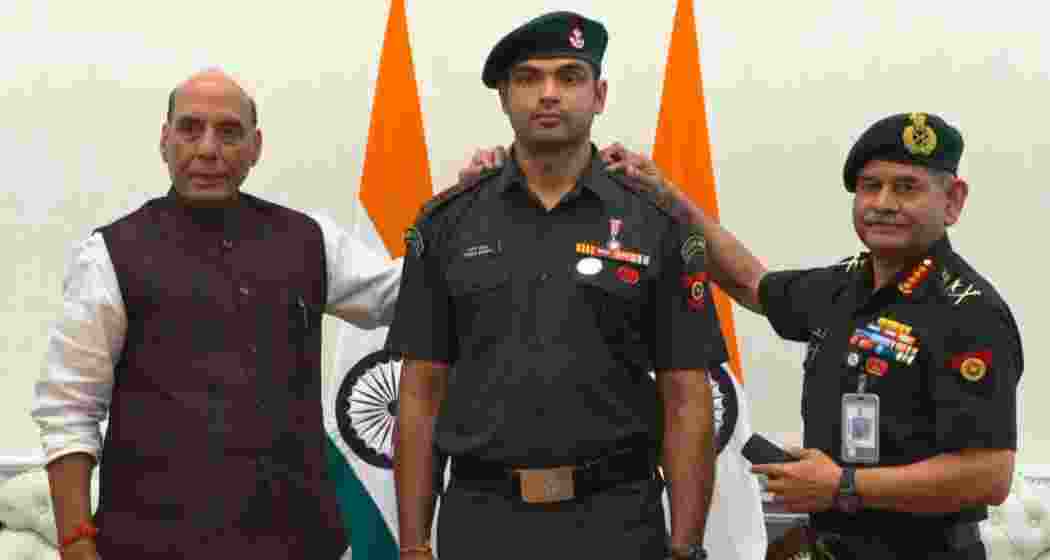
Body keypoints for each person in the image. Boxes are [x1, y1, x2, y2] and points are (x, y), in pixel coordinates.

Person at [598, 113, 1022, 559]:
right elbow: (750, 284)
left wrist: (844, 485)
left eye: (906, 187)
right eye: (869, 186)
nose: (883, 202)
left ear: (953, 201)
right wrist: (668, 198)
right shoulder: (845, 284)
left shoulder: (970, 312)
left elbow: (988, 474)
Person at [388, 11, 724, 560]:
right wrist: (413, 546)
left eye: (569, 77)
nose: (549, 94)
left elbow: (687, 399)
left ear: (599, 95)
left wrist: (686, 548)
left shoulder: (657, 226)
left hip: (616, 520)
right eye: (528, 78)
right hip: (482, 521)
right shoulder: (445, 224)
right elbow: (421, 393)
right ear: (503, 96)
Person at [31, 69, 402, 559]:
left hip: (297, 543)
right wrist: (76, 542)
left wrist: (472, 206)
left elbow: (402, 294)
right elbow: (69, 408)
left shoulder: (310, 241)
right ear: (164, 142)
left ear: (256, 146)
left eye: (229, 132)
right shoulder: (109, 255)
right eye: (190, 128)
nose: (208, 148)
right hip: (151, 545)